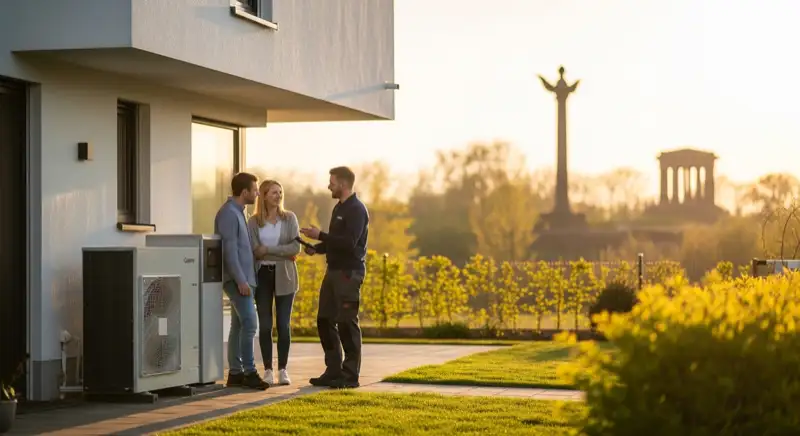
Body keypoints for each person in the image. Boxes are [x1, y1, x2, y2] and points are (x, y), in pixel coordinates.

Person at [300, 166, 369, 389]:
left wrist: (321, 235)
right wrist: (317, 248)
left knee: (347, 323)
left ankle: (350, 376)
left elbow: (349, 243)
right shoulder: (338, 208)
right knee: (324, 320)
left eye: (332, 182)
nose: (329, 185)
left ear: (343, 184)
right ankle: (333, 370)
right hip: (333, 271)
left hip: (349, 274)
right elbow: (335, 241)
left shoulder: (356, 210)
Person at [214, 172, 270, 390]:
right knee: (250, 324)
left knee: (238, 327)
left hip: (246, 279)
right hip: (238, 281)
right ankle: (249, 372)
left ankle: (235, 373)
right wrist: (240, 280)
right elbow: (229, 251)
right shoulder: (228, 214)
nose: (257, 193)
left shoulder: (239, 212)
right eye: (255, 190)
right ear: (244, 192)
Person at [247, 179, 301, 386]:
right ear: (264, 195)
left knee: (283, 325)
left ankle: (283, 369)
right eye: (273, 193)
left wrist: (268, 250)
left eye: (280, 192)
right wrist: (281, 252)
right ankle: (268, 369)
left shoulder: (289, 218)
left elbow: (295, 249)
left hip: (285, 275)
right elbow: (254, 250)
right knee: (266, 325)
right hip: (262, 276)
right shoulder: (253, 222)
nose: (278, 196)